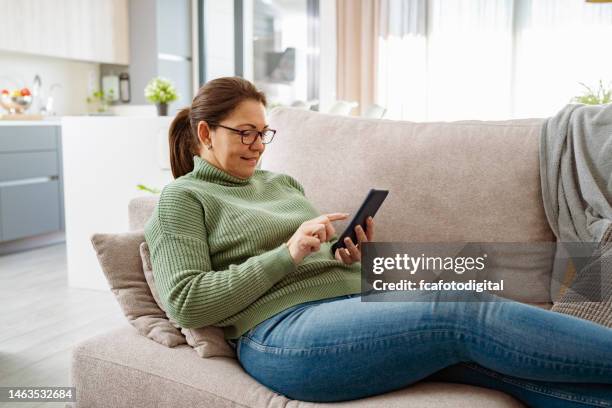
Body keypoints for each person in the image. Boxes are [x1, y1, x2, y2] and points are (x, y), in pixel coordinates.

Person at [144, 76, 612, 407]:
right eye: (244, 133)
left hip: (351, 311)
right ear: (205, 133)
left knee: (504, 372)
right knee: (464, 309)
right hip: (280, 336)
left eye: (263, 133)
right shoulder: (184, 198)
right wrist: (289, 253)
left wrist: (343, 253)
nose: (258, 144)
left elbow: (316, 264)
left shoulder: (281, 184)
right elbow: (187, 302)